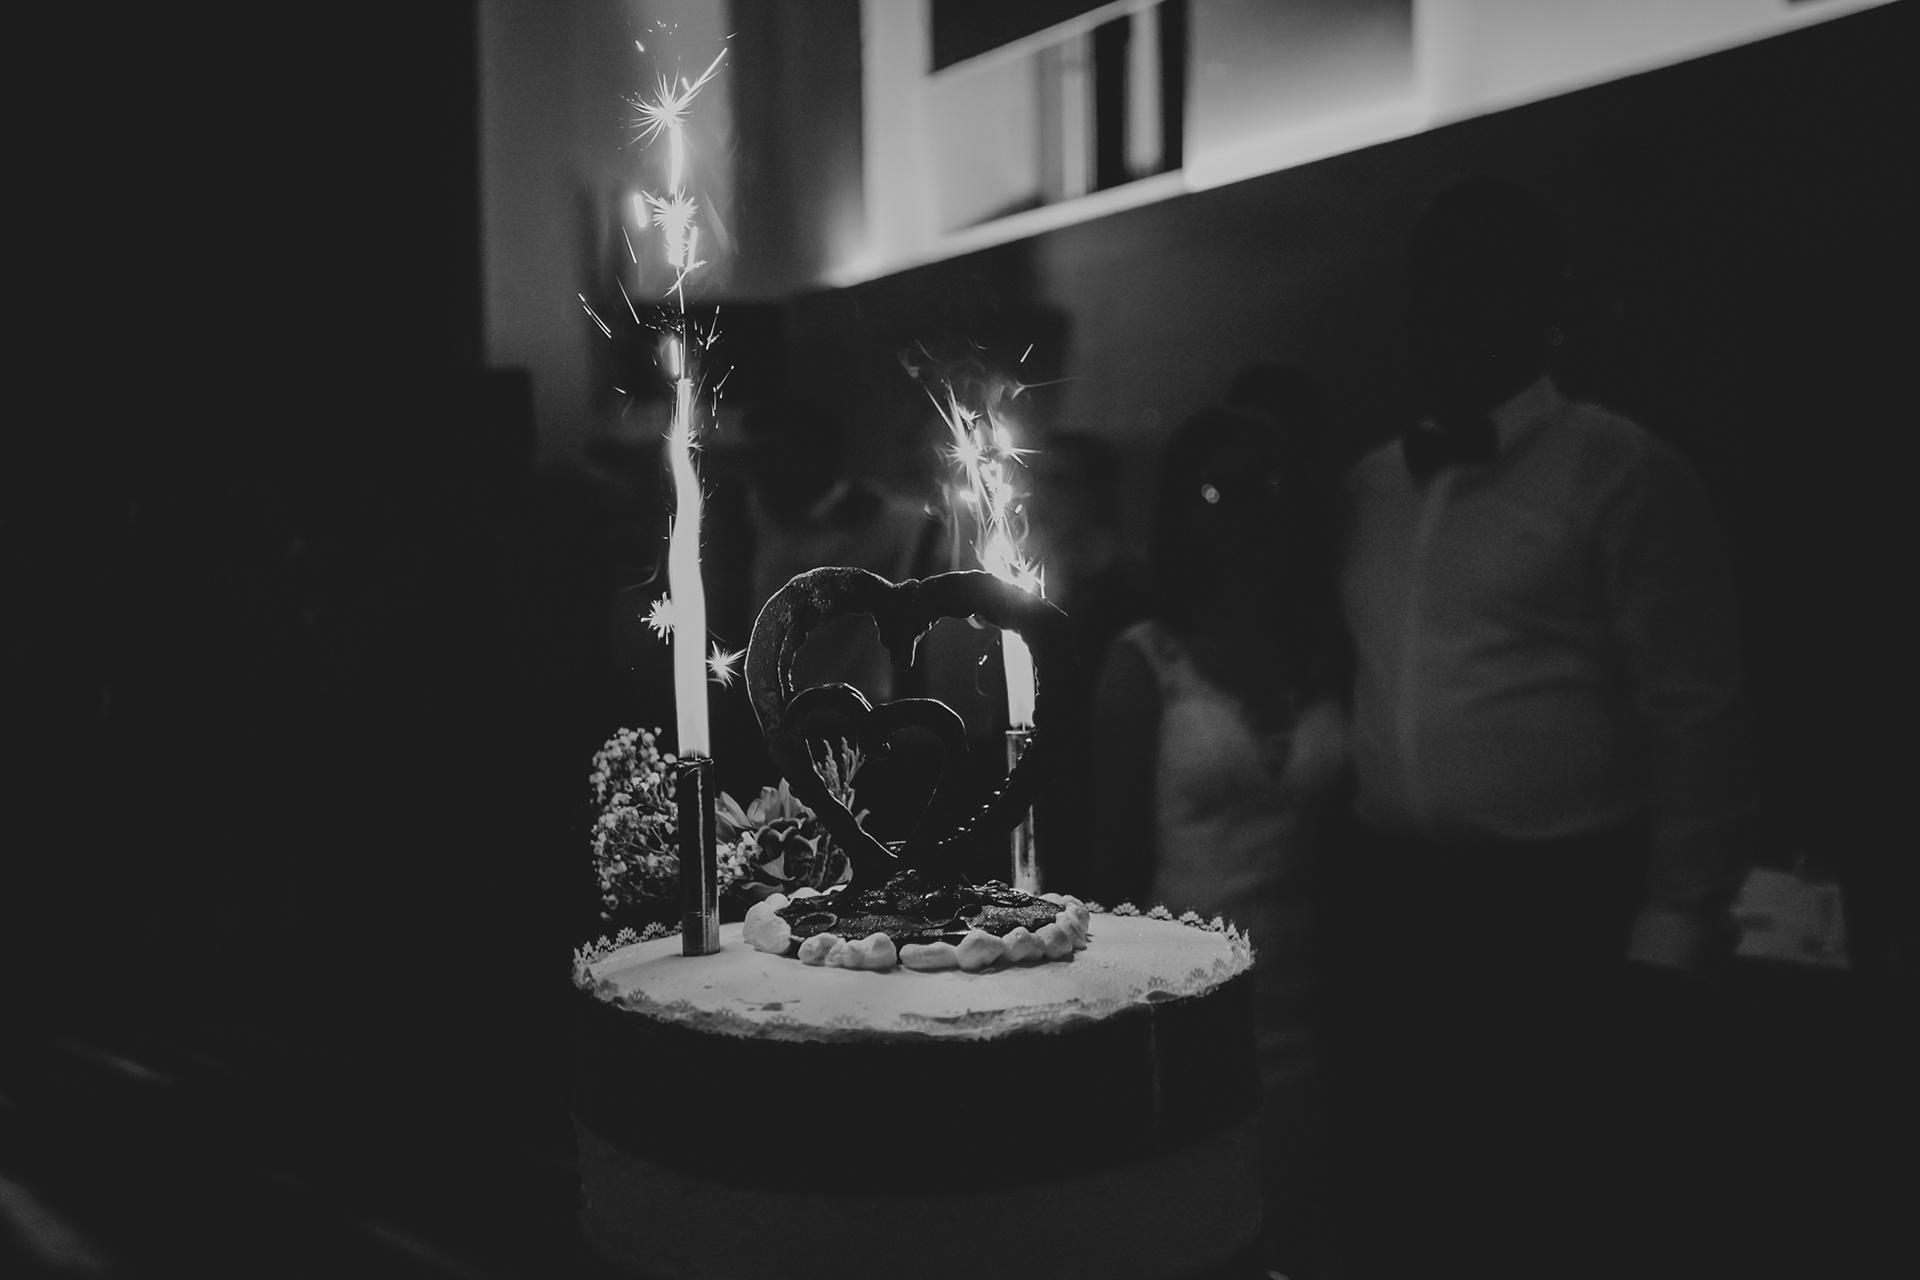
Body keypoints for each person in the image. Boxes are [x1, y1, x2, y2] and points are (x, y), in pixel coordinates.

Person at [1334, 175, 1755, 1278]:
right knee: (1420, 1213)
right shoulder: (1371, 486)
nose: (1452, 307)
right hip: (1400, 913)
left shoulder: (1624, 470)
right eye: (1434, 282)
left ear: (1541, 299)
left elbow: (1698, 713)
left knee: (1560, 1213)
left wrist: (1674, 930)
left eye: (1483, 279)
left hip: (1562, 913)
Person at [1084, 408, 1348, 1280]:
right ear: (1180, 511)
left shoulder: (1332, 649)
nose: (1248, 510)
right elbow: (1111, 865)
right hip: (1189, 993)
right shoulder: (1146, 659)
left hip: (1319, 1000)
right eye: (1216, 490)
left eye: (1269, 484)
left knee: (1310, 1228)